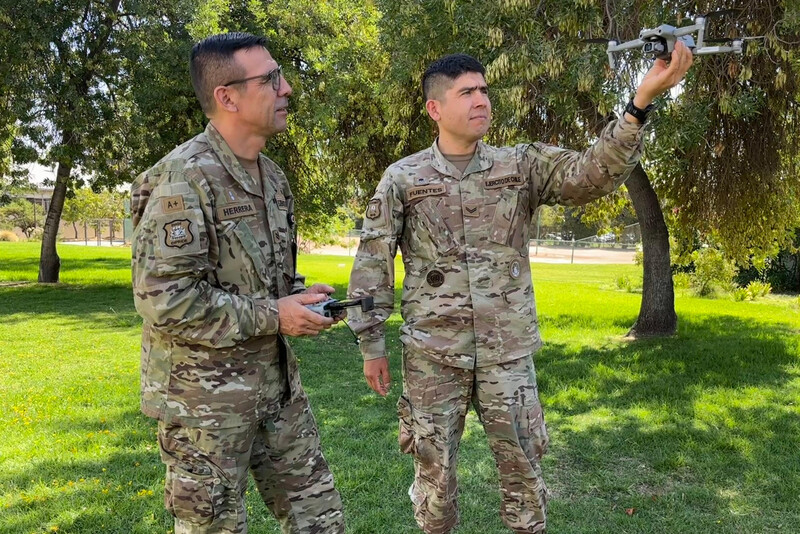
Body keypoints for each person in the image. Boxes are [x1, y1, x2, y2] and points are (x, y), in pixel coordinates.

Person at [347, 45, 693, 534]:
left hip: (506, 353)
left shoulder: (519, 165)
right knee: (434, 476)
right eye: (466, 93)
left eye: (484, 90)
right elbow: (373, 259)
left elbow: (592, 174)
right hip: (432, 355)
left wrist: (638, 105)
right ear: (434, 108)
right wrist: (371, 344)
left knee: (524, 472)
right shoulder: (403, 178)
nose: (481, 100)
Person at [130, 32, 345, 534]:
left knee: (321, 521)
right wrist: (275, 314)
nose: (287, 89)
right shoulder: (183, 179)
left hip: (276, 392)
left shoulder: (273, 179)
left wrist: (298, 299)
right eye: (271, 79)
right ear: (227, 97)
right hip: (205, 408)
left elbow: (263, 279)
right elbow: (165, 300)